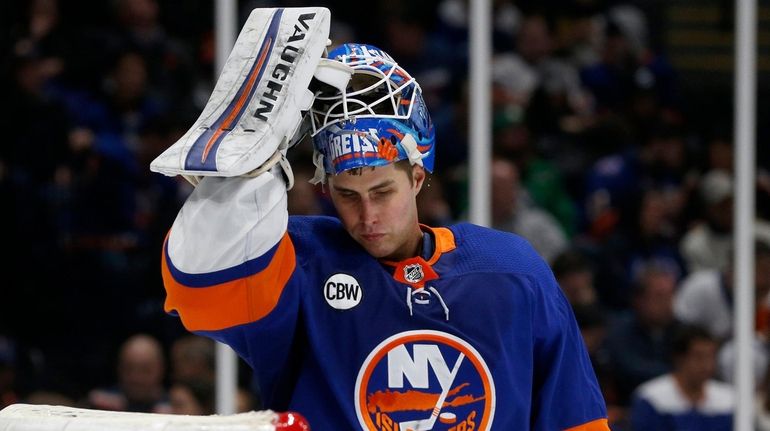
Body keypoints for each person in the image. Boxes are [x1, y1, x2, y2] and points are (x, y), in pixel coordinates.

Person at [160, 41, 609, 430]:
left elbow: (576, 421)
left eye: (382, 191)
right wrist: (247, 167)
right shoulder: (297, 261)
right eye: (347, 195)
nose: (367, 216)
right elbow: (198, 286)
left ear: (417, 177)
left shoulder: (512, 269)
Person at [629, 325, 733, 431]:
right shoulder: (652, 399)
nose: (706, 365)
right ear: (679, 358)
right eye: (698, 357)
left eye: (710, 357)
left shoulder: (729, 400)